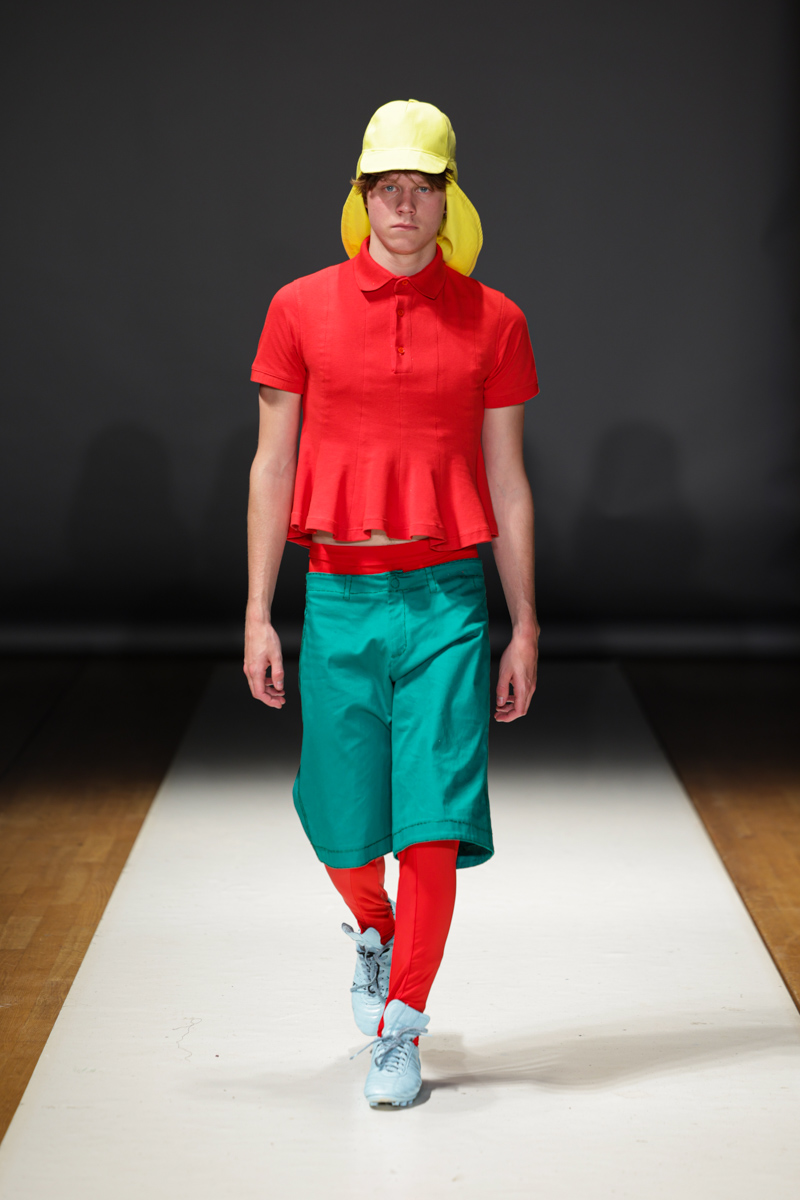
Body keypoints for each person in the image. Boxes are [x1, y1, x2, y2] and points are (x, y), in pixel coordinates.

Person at [244, 99, 540, 1108]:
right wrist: (258, 612)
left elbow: (507, 481)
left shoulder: (495, 320)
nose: (403, 203)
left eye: (422, 185)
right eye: (386, 185)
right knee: (338, 821)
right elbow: (270, 465)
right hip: (337, 595)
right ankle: (373, 927)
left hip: (448, 600)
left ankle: (401, 1023)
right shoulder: (299, 308)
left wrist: (524, 625)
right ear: (362, 193)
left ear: (448, 195)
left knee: (432, 823)